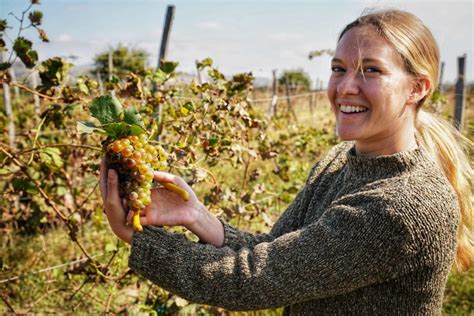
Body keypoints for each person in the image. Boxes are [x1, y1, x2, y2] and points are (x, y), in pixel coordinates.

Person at [100, 9, 473, 314]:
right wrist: (195, 216)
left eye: (371, 70)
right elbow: (276, 249)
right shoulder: (339, 160)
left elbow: (252, 279)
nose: (345, 87)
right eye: (339, 68)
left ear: (417, 87)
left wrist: (137, 239)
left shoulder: (401, 206)